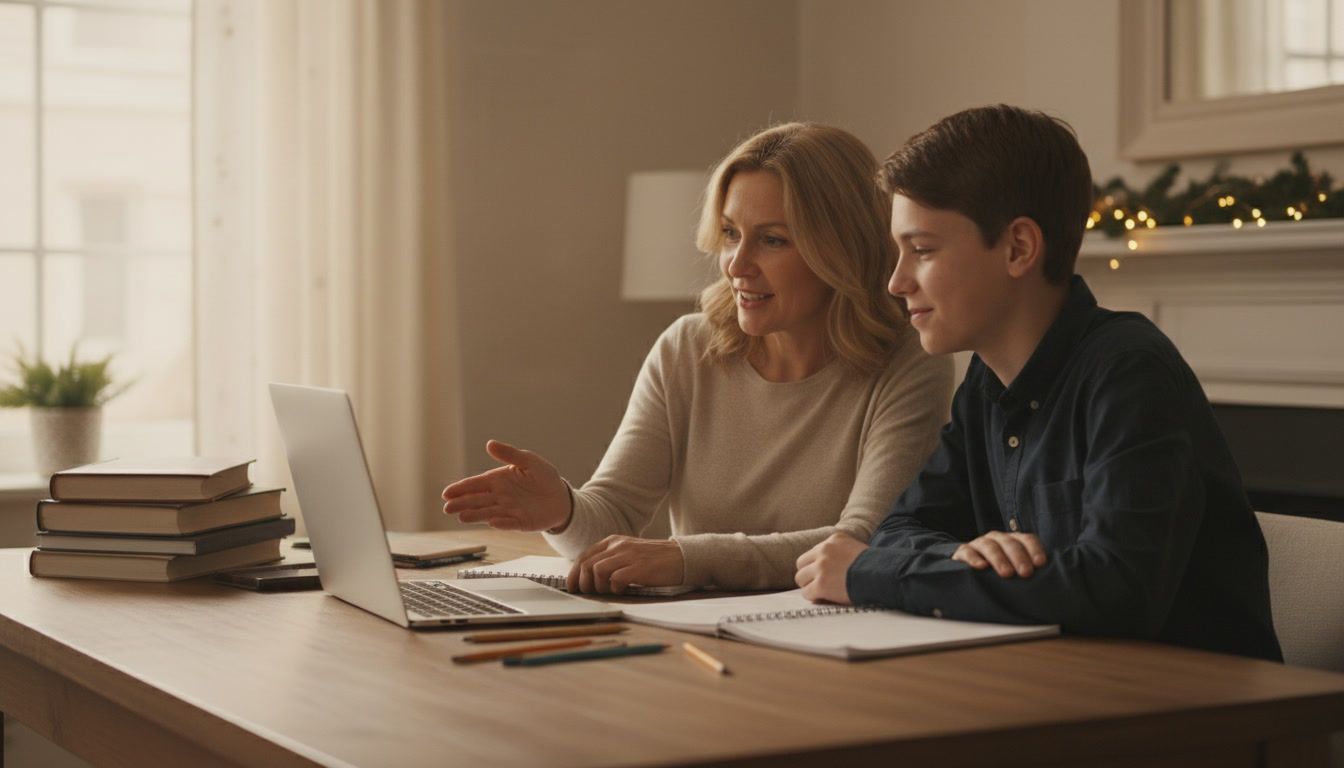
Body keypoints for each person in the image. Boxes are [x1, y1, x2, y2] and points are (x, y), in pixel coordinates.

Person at [794, 105, 1282, 661]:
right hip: (1061, 680)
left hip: (1200, 701)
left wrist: (873, 574)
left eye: (922, 250)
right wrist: (959, 558)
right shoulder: (985, 381)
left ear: (1019, 248)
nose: (896, 282)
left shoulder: (1129, 372)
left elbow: (1115, 591)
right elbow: (901, 527)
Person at [442, 122, 953, 594]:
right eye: (731, 234)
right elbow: (613, 518)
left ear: (843, 248)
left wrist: (690, 558)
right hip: (697, 636)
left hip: (826, 636)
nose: (736, 264)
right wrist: (565, 511)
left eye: (772, 240)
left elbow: (863, 541)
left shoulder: (908, 360)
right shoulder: (686, 348)